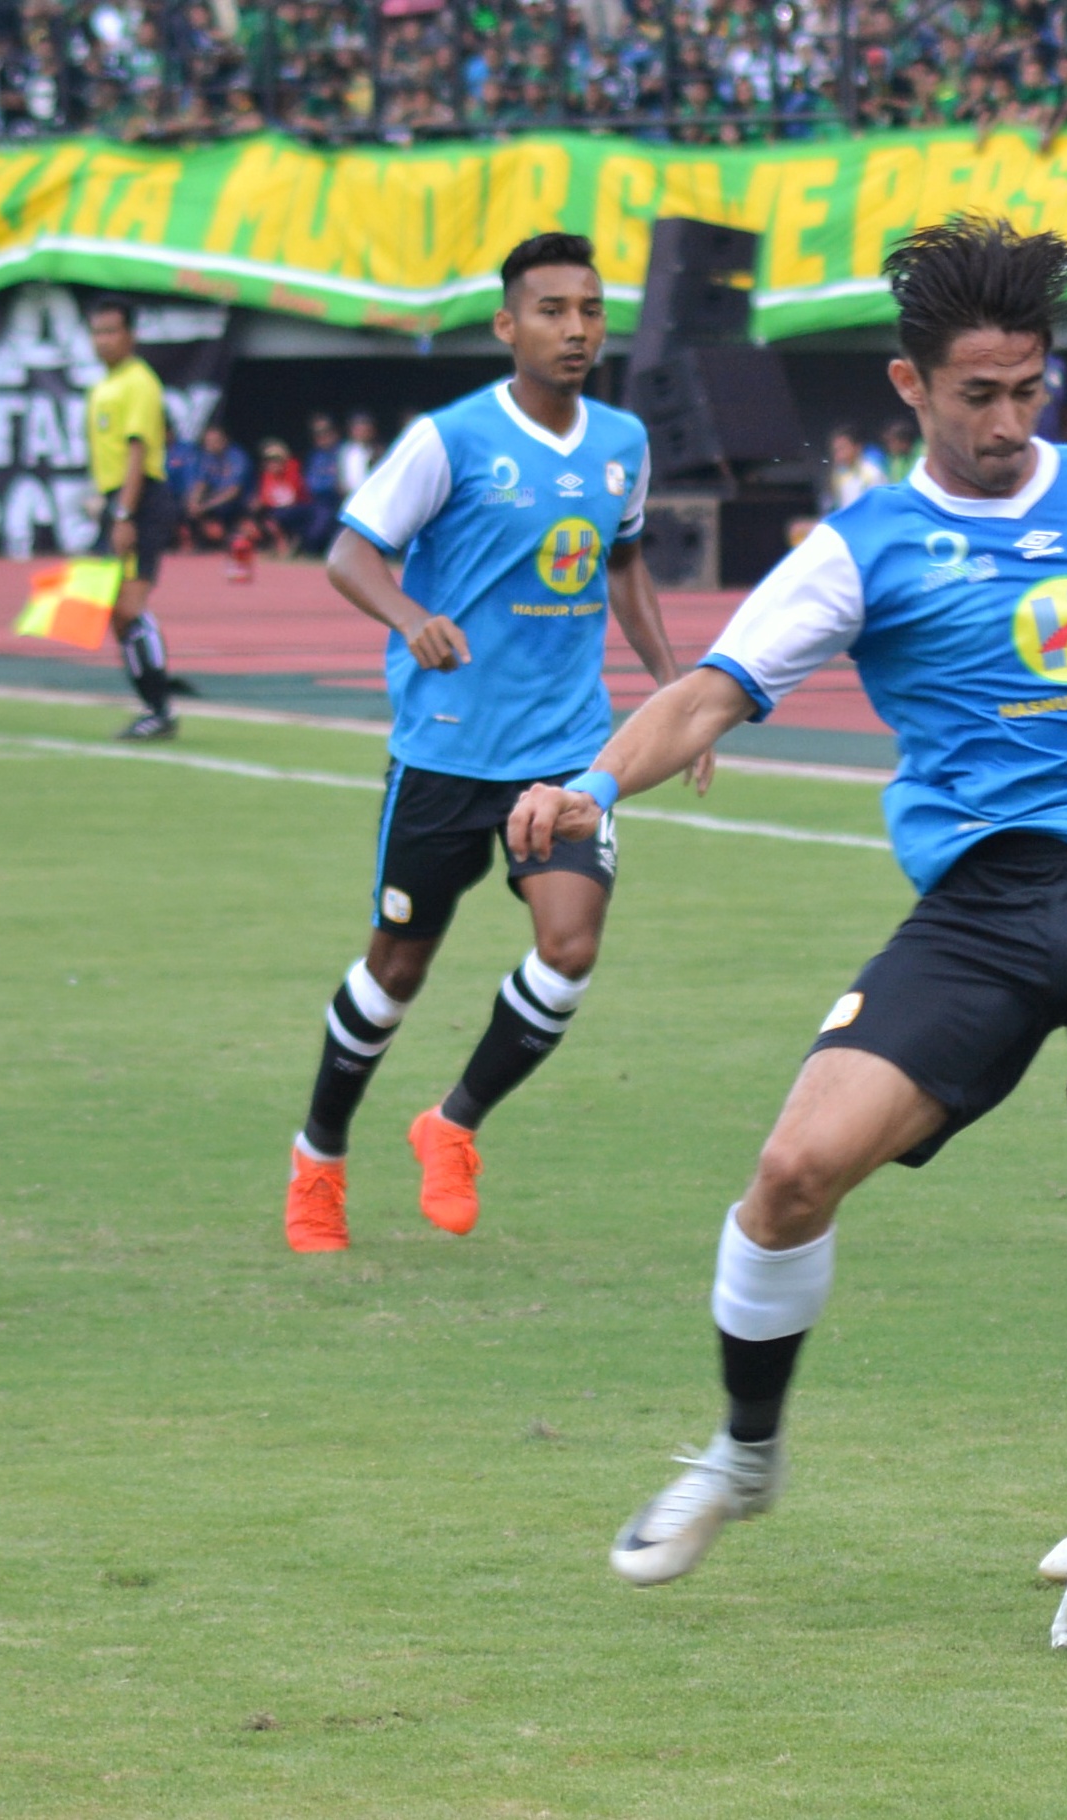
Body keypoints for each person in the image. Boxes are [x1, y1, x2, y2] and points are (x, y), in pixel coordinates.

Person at [539, 219, 1067, 1655]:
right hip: (981, 910)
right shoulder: (864, 549)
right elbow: (711, 694)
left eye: (1025, 389)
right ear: (909, 386)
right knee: (792, 1175)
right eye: (974, 395)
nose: (1004, 422)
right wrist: (593, 782)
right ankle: (744, 1454)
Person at [280, 233, 689, 1255]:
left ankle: (452, 1122)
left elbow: (624, 565)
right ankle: (318, 1154)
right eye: (552, 309)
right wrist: (408, 614)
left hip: (563, 754)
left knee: (569, 948)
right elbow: (348, 550)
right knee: (394, 973)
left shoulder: (622, 442)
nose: (576, 328)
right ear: (508, 325)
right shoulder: (449, 438)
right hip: (444, 753)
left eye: (591, 310)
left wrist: (678, 691)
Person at [82, 296, 183, 740]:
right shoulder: (105, 385)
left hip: (141, 502)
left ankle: (160, 708)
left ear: (130, 335)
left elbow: (138, 451)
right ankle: (155, 697)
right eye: (97, 332)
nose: (103, 340)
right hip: (118, 500)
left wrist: (123, 512)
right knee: (116, 612)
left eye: (111, 331)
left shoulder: (138, 382)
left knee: (129, 608)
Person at [180, 423, 252, 557]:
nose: (210, 445)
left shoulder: (237, 456)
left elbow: (233, 492)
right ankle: (195, 543)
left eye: (214, 441)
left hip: (236, 503)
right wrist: (193, 503)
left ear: (224, 440)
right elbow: (200, 484)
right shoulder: (207, 457)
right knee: (185, 505)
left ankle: (229, 537)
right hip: (213, 501)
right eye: (207, 442)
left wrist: (204, 507)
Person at [300, 413, 347, 554]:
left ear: (335, 432)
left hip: (345, 501)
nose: (322, 436)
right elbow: (311, 483)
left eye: (326, 431)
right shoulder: (315, 456)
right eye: (317, 433)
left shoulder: (346, 451)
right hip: (320, 501)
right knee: (315, 530)